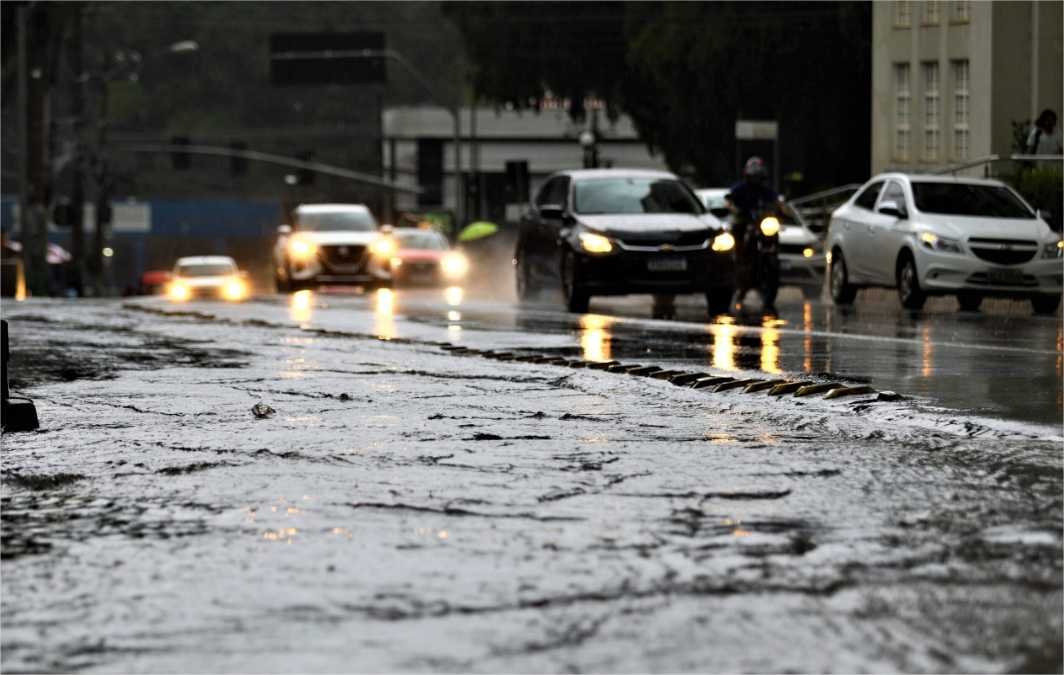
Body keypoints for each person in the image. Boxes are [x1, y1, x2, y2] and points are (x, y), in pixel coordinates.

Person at [726, 156, 780, 312]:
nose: (756, 179)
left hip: (761, 224)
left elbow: (777, 202)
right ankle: (737, 259)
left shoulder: (766, 190)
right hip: (744, 222)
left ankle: (771, 257)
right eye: (753, 176)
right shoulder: (740, 188)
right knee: (737, 237)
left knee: (774, 232)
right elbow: (729, 200)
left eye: (759, 176)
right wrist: (734, 209)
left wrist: (781, 210)